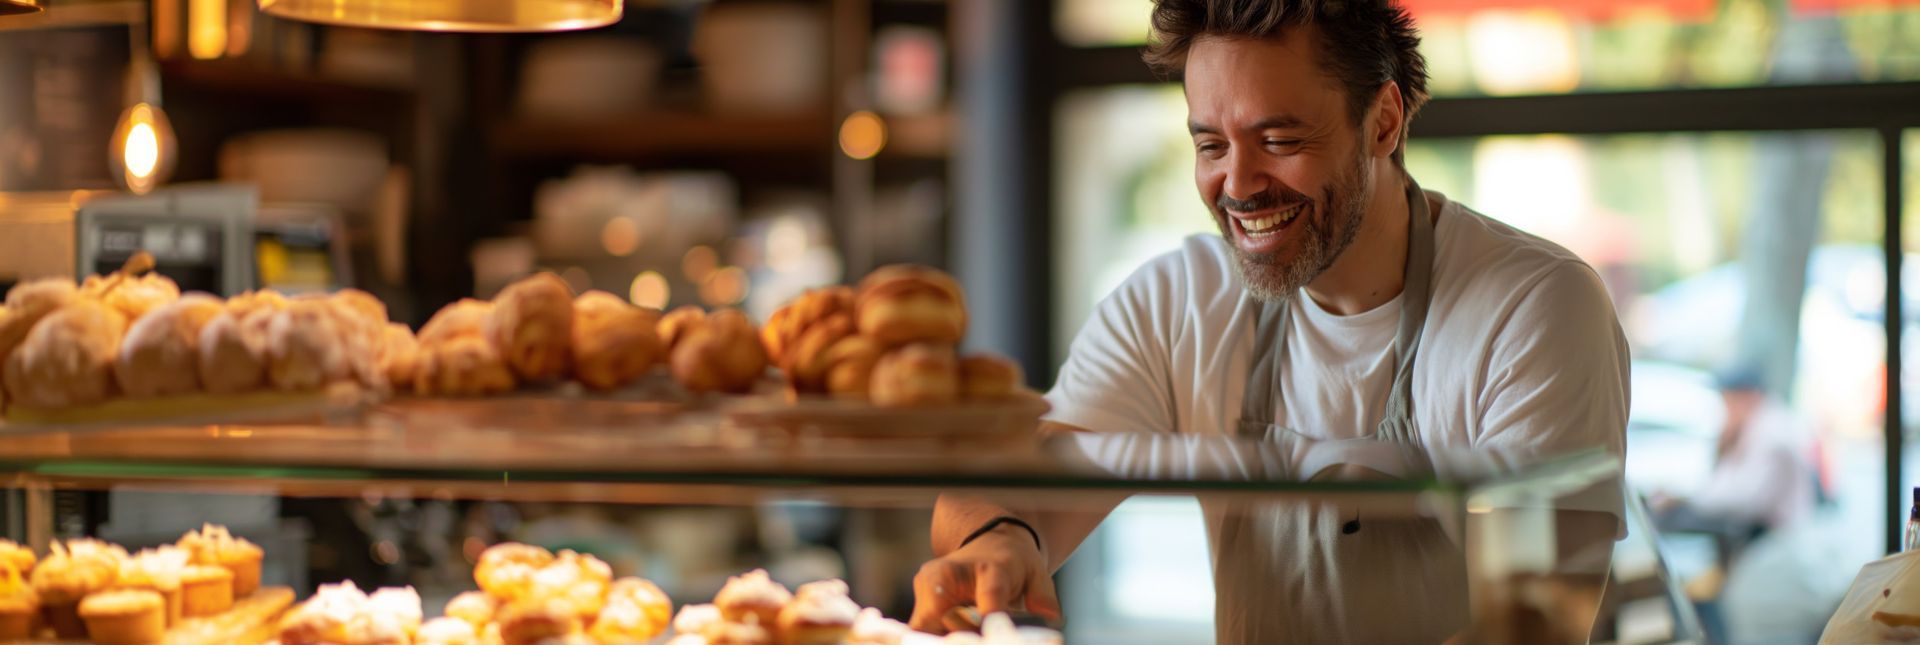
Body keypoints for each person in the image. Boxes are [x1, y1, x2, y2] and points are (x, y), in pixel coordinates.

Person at [909, 1, 1631, 642]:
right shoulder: (1177, 300)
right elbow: (1016, 484)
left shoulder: (1534, 305)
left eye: (1279, 141)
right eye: (1211, 146)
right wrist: (999, 537)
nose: (1239, 184)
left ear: (1382, 121)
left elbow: (1534, 622)